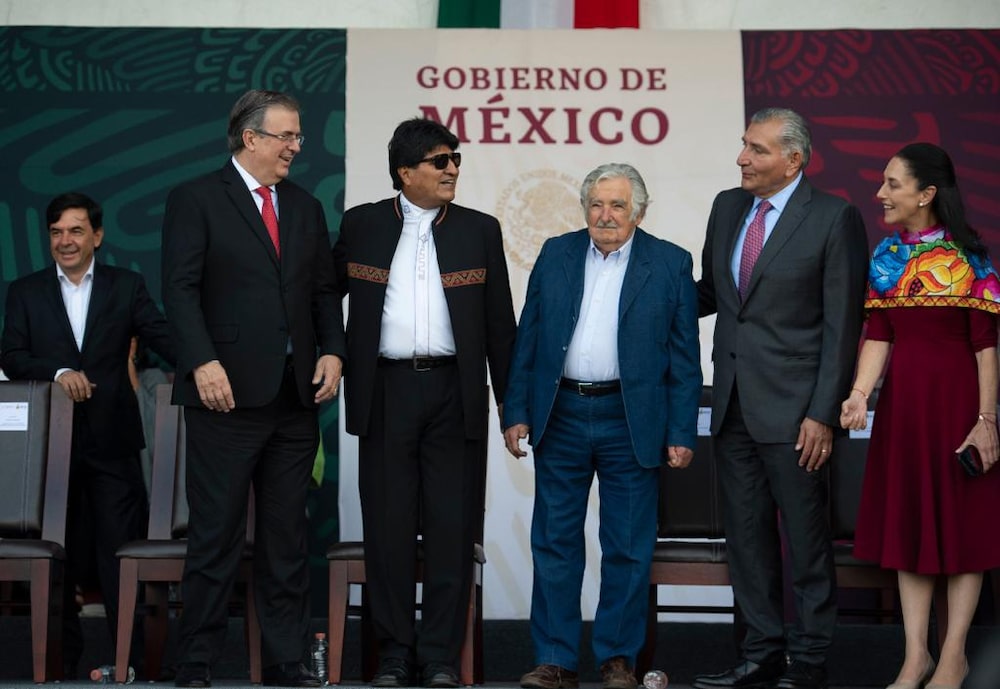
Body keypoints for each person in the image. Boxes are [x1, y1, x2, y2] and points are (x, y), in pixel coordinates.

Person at [161, 89, 345, 688]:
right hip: (225, 396)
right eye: (287, 136)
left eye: (297, 136)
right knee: (214, 537)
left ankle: (286, 661)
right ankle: (195, 663)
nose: (297, 146)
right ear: (251, 138)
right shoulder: (196, 199)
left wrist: (335, 352)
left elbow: (323, 293)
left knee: (287, 539)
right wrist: (201, 362)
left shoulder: (305, 206)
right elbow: (181, 289)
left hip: (294, 399)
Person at [332, 117, 517, 689]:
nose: (453, 169)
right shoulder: (360, 225)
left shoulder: (480, 229)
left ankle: (439, 654)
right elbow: (320, 301)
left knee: (451, 527)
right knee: (386, 528)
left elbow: (499, 328)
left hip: (454, 393)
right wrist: (329, 354)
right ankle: (393, 652)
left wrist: (514, 411)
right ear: (404, 172)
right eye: (440, 161)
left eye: (456, 159)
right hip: (384, 391)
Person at [503, 162, 702, 689]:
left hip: (631, 420)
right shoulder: (556, 253)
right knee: (554, 542)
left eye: (617, 205)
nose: (605, 214)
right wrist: (516, 410)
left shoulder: (670, 263)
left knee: (628, 546)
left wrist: (682, 431)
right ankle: (555, 660)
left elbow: (685, 358)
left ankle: (617, 659)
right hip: (561, 414)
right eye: (596, 203)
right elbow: (529, 336)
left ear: (639, 210)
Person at [693, 108, 869, 689]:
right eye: (743, 145)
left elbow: (843, 327)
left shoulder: (833, 217)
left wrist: (822, 413)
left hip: (798, 414)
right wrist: (635, 280)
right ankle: (760, 654)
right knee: (745, 539)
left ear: (794, 159)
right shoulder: (726, 207)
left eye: (757, 150)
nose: (742, 158)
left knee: (806, 542)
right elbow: (713, 294)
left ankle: (810, 660)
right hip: (733, 405)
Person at [840, 142, 1000, 689]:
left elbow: (986, 346)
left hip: (958, 408)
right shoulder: (886, 256)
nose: (880, 193)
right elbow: (878, 335)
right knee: (909, 528)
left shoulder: (970, 259)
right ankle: (916, 657)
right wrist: (861, 392)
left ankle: (953, 655)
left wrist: (987, 420)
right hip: (904, 410)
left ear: (926, 193)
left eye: (892, 184)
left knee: (961, 533)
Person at [1, 191, 175, 677]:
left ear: (97, 235)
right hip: (48, 454)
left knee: (120, 556)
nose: (65, 241)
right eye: (56, 232)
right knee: (57, 559)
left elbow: (163, 339)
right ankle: (58, 663)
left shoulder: (127, 286)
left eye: (76, 230)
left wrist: (209, 363)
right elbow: (11, 354)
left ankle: (131, 663)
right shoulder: (26, 291)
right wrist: (58, 372)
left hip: (113, 444)